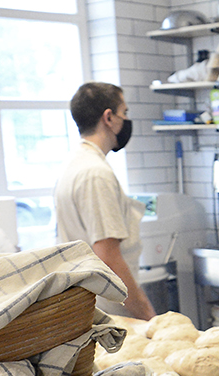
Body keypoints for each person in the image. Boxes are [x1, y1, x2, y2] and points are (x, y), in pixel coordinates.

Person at [54, 81, 156, 320]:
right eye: (125, 113)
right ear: (108, 117)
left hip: (90, 307)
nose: (126, 120)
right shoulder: (95, 174)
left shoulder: (74, 163)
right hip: (109, 313)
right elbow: (108, 256)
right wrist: (148, 315)